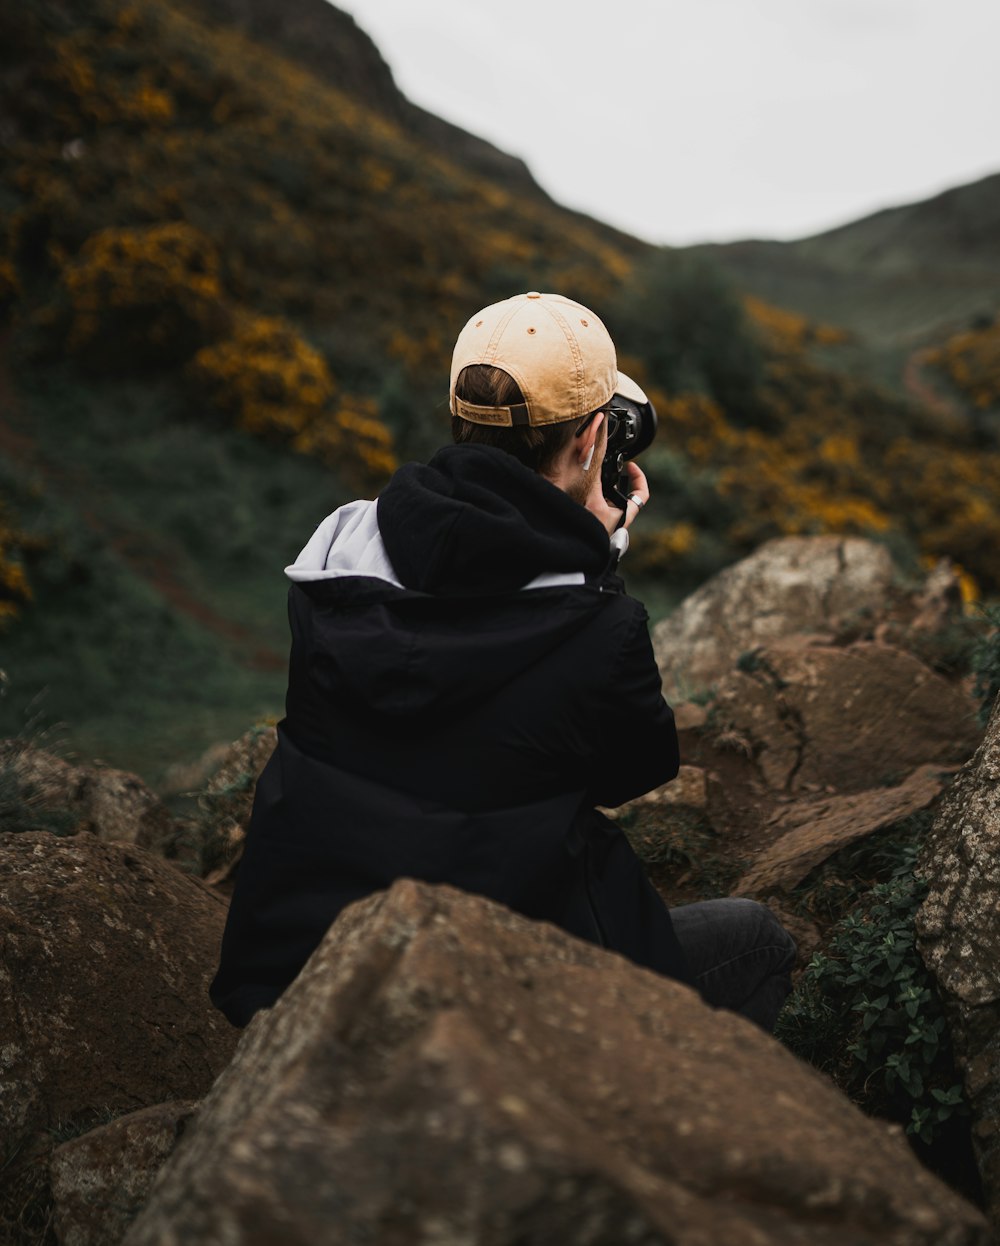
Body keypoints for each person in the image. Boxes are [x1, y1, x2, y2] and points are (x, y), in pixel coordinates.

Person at [210, 291, 795, 1030]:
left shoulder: (335, 562)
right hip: (495, 1001)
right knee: (758, 941)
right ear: (591, 442)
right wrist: (600, 558)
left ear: (462, 417)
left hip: (295, 976)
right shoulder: (596, 626)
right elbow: (633, 767)